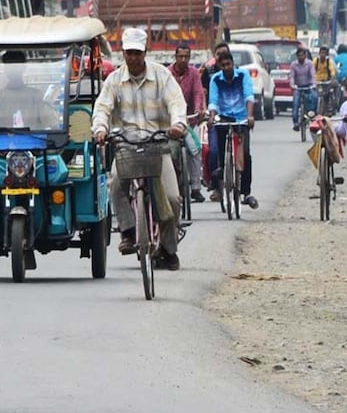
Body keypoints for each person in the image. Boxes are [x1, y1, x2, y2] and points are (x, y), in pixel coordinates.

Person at [92, 27, 187, 271]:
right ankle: (127, 230)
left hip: (158, 146)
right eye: (129, 53)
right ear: (123, 53)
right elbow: (102, 108)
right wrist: (100, 129)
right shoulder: (114, 80)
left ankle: (168, 248)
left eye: (137, 53)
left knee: (173, 199)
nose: (133, 58)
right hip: (126, 147)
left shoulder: (162, 76)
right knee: (115, 184)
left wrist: (177, 124)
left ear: (146, 51)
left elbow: (176, 102)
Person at [206, 49, 258, 209]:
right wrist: (212, 117)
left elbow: (249, 96)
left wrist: (250, 116)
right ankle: (222, 176)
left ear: (233, 64)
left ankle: (246, 193)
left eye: (228, 64)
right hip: (223, 118)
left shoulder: (243, 75)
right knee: (221, 153)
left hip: (241, 118)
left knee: (245, 155)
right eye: (223, 65)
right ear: (219, 66)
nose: (226, 68)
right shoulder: (215, 79)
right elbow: (213, 101)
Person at [0, 51, 60, 130]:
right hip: (4, 141)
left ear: (23, 68)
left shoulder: (36, 96)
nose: (13, 71)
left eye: (16, 67)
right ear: (5, 70)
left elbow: (53, 123)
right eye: (9, 67)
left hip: (33, 141)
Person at [168, 44, 206, 202]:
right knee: (170, 152)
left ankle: (195, 187)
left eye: (186, 57)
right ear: (175, 57)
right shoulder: (167, 74)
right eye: (180, 56)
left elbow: (198, 93)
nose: (183, 60)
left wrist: (198, 109)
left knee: (195, 149)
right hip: (171, 122)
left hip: (189, 120)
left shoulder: (194, 73)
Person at [289, 45, 317, 131]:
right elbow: (292, 77)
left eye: (302, 55)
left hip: (308, 86)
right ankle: (295, 123)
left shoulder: (310, 64)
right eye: (299, 55)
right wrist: (292, 85)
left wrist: (313, 84)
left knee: (314, 97)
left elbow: (313, 75)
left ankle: (312, 116)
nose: (300, 57)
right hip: (298, 87)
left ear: (305, 55)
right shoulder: (294, 65)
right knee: (296, 103)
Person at [314, 46, 338, 113]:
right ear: (319, 53)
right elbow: (311, 70)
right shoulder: (316, 60)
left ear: (327, 54)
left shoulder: (329, 61)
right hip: (317, 81)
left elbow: (332, 71)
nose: (323, 55)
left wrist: (332, 78)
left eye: (324, 53)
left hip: (326, 81)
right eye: (321, 53)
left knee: (331, 90)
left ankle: (333, 104)